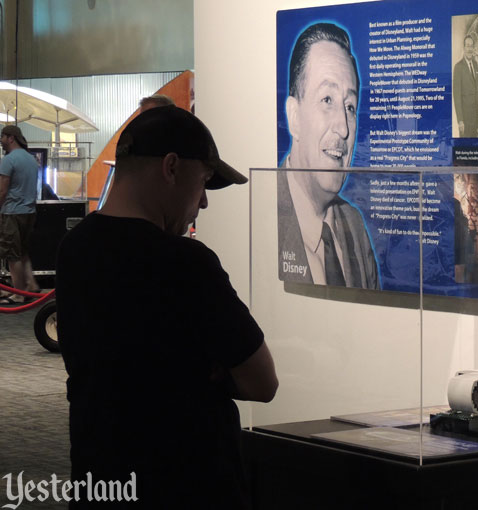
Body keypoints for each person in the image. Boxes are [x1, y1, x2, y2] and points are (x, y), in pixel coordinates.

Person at [56, 106, 278, 509]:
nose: (205, 202)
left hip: (101, 477)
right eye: (205, 181)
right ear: (172, 167)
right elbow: (262, 382)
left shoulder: (75, 249)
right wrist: (211, 371)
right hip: (186, 483)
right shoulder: (186, 263)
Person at [279, 22, 379, 289]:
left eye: (350, 106)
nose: (344, 128)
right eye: (327, 100)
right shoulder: (262, 215)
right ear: (295, 117)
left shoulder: (355, 227)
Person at [0, 124, 40, 303]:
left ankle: (18, 293)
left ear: (10, 138)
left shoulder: (8, 160)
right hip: (29, 212)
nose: (1, 141)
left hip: (12, 212)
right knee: (23, 251)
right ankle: (31, 286)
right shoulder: (31, 159)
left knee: (12, 254)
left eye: (2, 137)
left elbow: (2, 190)